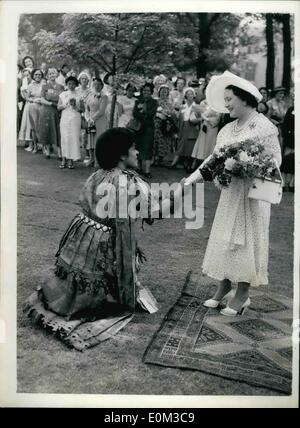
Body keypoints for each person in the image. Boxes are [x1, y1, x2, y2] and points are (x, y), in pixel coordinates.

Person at [24, 128, 184, 346]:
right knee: (100, 293)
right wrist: (179, 193)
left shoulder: (98, 174)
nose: (137, 153)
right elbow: (154, 212)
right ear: (121, 155)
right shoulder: (130, 183)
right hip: (104, 243)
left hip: (83, 234)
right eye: (133, 149)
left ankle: (69, 298)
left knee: (77, 280)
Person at [197, 71, 281, 316]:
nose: (226, 104)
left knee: (247, 240)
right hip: (231, 193)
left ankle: (243, 293)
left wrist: (249, 165)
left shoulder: (264, 126)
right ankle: (223, 286)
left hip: (253, 195)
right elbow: (213, 160)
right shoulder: (226, 130)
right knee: (226, 237)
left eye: (229, 98)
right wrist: (191, 181)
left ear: (244, 99)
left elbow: (275, 160)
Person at [170, 87, 202, 172]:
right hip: (183, 127)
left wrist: (196, 121)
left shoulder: (197, 107)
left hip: (192, 128)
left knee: (190, 146)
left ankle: (186, 164)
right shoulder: (182, 107)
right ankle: (178, 163)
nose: (190, 95)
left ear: (194, 95)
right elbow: (178, 118)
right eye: (188, 94)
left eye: (191, 94)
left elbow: (201, 118)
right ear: (186, 96)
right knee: (181, 145)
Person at [57, 76, 85, 169]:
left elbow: (82, 109)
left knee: (73, 138)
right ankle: (64, 159)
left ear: (76, 84)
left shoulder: (79, 95)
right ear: (67, 84)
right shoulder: (63, 94)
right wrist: (66, 104)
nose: (71, 85)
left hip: (75, 118)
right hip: (65, 118)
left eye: (73, 83)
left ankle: (71, 160)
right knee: (64, 138)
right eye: (69, 83)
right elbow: (58, 107)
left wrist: (75, 106)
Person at [132, 83, 158, 178]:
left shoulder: (154, 102)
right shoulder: (138, 101)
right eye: (144, 90)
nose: (146, 92)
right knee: (138, 147)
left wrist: (143, 111)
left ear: (151, 92)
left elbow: (151, 113)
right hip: (138, 128)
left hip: (148, 128)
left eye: (148, 90)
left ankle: (147, 170)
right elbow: (135, 113)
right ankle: (138, 167)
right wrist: (143, 113)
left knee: (147, 148)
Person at [38, 68, 64, 158]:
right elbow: (41, 99)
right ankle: (48, 151)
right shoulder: (45, 86)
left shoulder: (61, 86)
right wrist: (51, 103)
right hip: (47, 109)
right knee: (47, 130)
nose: (52, 75)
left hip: (58, 110)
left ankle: (60, 153)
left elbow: (63, 98)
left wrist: (59, 106)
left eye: (54, 73)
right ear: (47, 76)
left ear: (56, 74)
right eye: (50, 74)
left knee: (58, 130)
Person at [191, 92, 222, 169]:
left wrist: (207, 118)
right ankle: (196, 164)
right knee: (201, 144)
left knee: (210, 144)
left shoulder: (218, 104)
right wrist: (204, 116)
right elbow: (200, 113)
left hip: (212, 127)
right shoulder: (204, 102)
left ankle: (208, 165)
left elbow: (218, 117)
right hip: (205, 126)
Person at [85, 77, 108, 167]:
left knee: (98, 139)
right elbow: (86, 108)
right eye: (95, 84)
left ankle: (98, 160)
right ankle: (91, 158)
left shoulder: (104, 96)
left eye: (99, 84)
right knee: (90, 139)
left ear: (102, 86)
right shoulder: (90, 95)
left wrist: (93, 119)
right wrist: (88, 119)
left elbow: (101, 111)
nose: (96, 86)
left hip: (99, 120)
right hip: (90, 119)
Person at [153, 84, 177, 166]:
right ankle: (155, 158)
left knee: (164, 140)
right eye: (162, 92)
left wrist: (169, 115)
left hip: (166, 124)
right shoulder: (155, 101)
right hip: (157, 124)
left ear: (168, 93)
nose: (163, 93)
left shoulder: (170, 103)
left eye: (165, 92)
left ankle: (161, 158)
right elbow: (152, 111)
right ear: (159, 92)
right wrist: (157, 114)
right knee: (156, 140)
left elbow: (173, 113)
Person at [76, 71, 92, 165]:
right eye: (82, 78)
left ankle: (87, 154)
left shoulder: (90, 91)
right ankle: (76, 154)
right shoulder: (76, 90)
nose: (84, 80)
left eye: (86, 79)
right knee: (77, 134)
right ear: (79, 80)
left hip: (87, 113)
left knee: (86, 134)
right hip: (77, 112)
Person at [27, 68, 44, 153]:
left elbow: (46, 95)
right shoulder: (30, 85)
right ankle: (35, 146)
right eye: (36, 75)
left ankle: (45, 147)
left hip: (42, 106)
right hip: (33, 106)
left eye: (39, 75)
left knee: (43, 126)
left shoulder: (44, 84)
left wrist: (41, 99)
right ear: (33, 76)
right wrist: (33, 100)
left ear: (42, 76)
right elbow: (27, 97)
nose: (38, 76)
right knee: (34, 127)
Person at [281, 103, 294, 192]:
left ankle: (292, 184)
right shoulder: (291, 109)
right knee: (286, 160)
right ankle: (283, 183)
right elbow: (285, 124)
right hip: (290, 139)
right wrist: (287, 134)